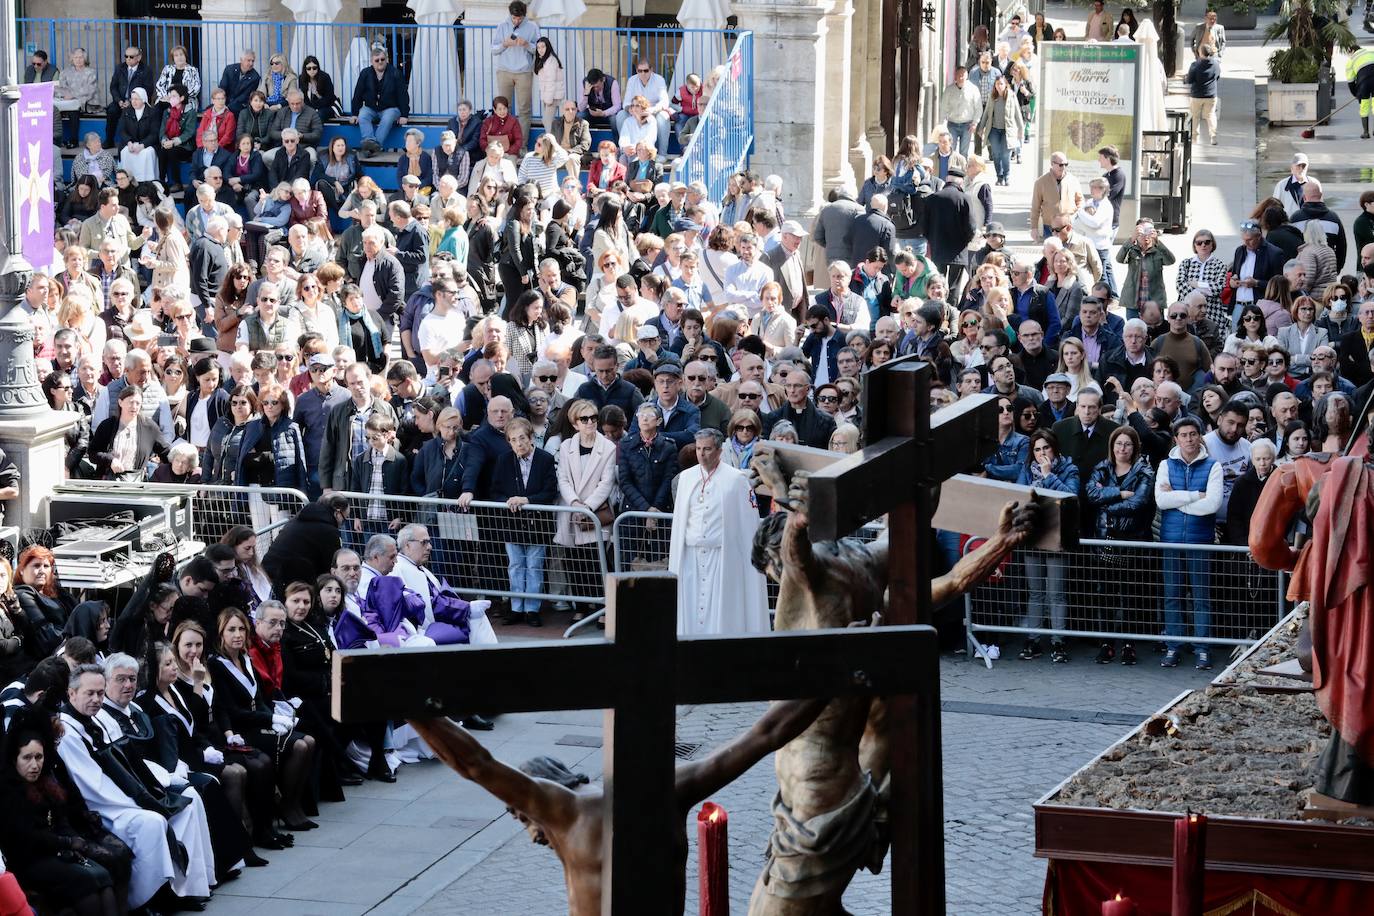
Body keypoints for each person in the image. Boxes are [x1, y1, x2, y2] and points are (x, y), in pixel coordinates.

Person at [407, 696, 826, 915]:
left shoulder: (560, 809)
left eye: (518, 816)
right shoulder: (671, 786)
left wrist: (409, 707)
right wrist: (836, 676)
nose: (530, 834)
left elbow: (476, 764)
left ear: (530, 799)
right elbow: (764, 735)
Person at [58, 664, 215, 910]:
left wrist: (147, 793)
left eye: (100, 693)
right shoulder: (68, 732)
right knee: (151, 822)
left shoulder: (93, 721)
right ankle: (148, 899)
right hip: (103, 808)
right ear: (71, 694)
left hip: (119, 795)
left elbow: (124, 762)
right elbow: (91, 784)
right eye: (90, 693)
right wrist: (139, 801)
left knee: (184, 805)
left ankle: (184, 887)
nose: (97, 700)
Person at [0, 706, 132, 916]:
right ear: (14, 759)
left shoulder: (46, 784)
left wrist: (73, 839)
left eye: (39, 757)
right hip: (29, 860)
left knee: (103, 877)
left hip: (56, 852)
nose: (35, 765)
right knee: (88, 882)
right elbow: (27, 837)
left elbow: (61, 820)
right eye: (27, 758)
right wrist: (67, 843)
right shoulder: (8, 791)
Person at [668, 428, 769, 635]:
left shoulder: (736, 480)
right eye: (698, 449)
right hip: (691, 557)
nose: (702, 454)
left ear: (719, 450)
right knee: (691, 607)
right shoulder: (686, 478)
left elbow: (747, 525)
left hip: (722, 557)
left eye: (707, 449)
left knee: (722, 609)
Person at [1155, 416, 1223, 670]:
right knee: (1172, 595)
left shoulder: (1213, 466)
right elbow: (1161, 502)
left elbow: (1212, 504)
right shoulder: (1165, 464)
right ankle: (1173, 646)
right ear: (1176, 438)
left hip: (1200, 540)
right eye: (1184, 435)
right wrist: (1195, 496)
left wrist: (1176, 497)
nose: (1189, 439)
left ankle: (1202, 648)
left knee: (1201, 596)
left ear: (1199, 436)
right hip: (1171, 540)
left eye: (1193, 434)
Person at [1014, 429, 1079, 663]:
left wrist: (1049, 475)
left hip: (1057, 536)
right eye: (1037, 449)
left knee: (1056, 593)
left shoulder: (1069, 468)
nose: (1042, 453)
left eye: (1046, 448)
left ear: (1055, 448)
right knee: (1035, 592)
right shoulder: (1026, 471)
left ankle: (1058, 641)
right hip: (1033, 536)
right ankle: (1033, 639)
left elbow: (1071, 495)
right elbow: (1020, 496)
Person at [492, 0, 540, 141]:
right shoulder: (501, 26)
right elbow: (493, 50)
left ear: (524, 16)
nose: (516, 21)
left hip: (524, 72)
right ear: (510, 15)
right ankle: (504, 144)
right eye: (514, 18)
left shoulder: (532, 27)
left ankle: (522, 145)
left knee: (524, 110)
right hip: (504, 71)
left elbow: (539, 49)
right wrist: (504, 44)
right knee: (502, 109)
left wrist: (526, 44)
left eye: (519, 18)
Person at [350, 47, 409, 154]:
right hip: (371, 108)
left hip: (391, 108)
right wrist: (354, 114)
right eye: (377, 60)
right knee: (362, 115)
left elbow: (403, 95)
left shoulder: (395, 73)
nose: (380, 62)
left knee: (387, 118)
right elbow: (357, 94)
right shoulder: (365, 73)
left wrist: (404, 115)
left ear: (387, 59)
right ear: (372, 62)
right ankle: (370, 142)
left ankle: (371, 149)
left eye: (382, 59)